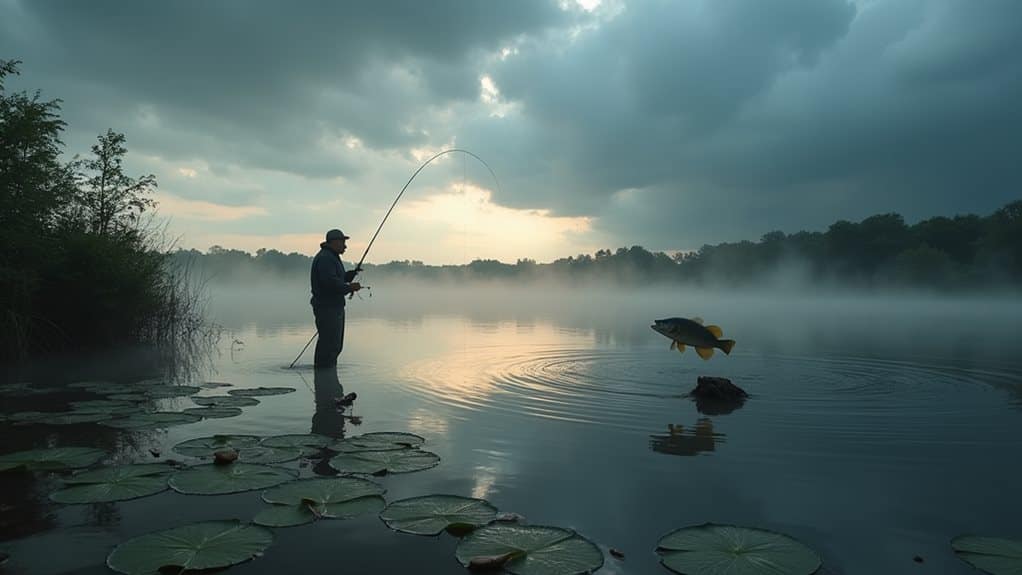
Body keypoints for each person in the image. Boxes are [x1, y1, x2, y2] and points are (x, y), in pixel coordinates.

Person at [310, 228, 361, 368]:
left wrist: (348, 276)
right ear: (334, 242)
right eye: (342, 242)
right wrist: (350, 287)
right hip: (328, 307)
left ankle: (325, 379)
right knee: (330, 345)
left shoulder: (331, 256)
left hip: (333, 306)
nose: (345, 246)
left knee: (333, 345)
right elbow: (331, 284)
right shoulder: (326, 258)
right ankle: (324, 377)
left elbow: (336, 279)